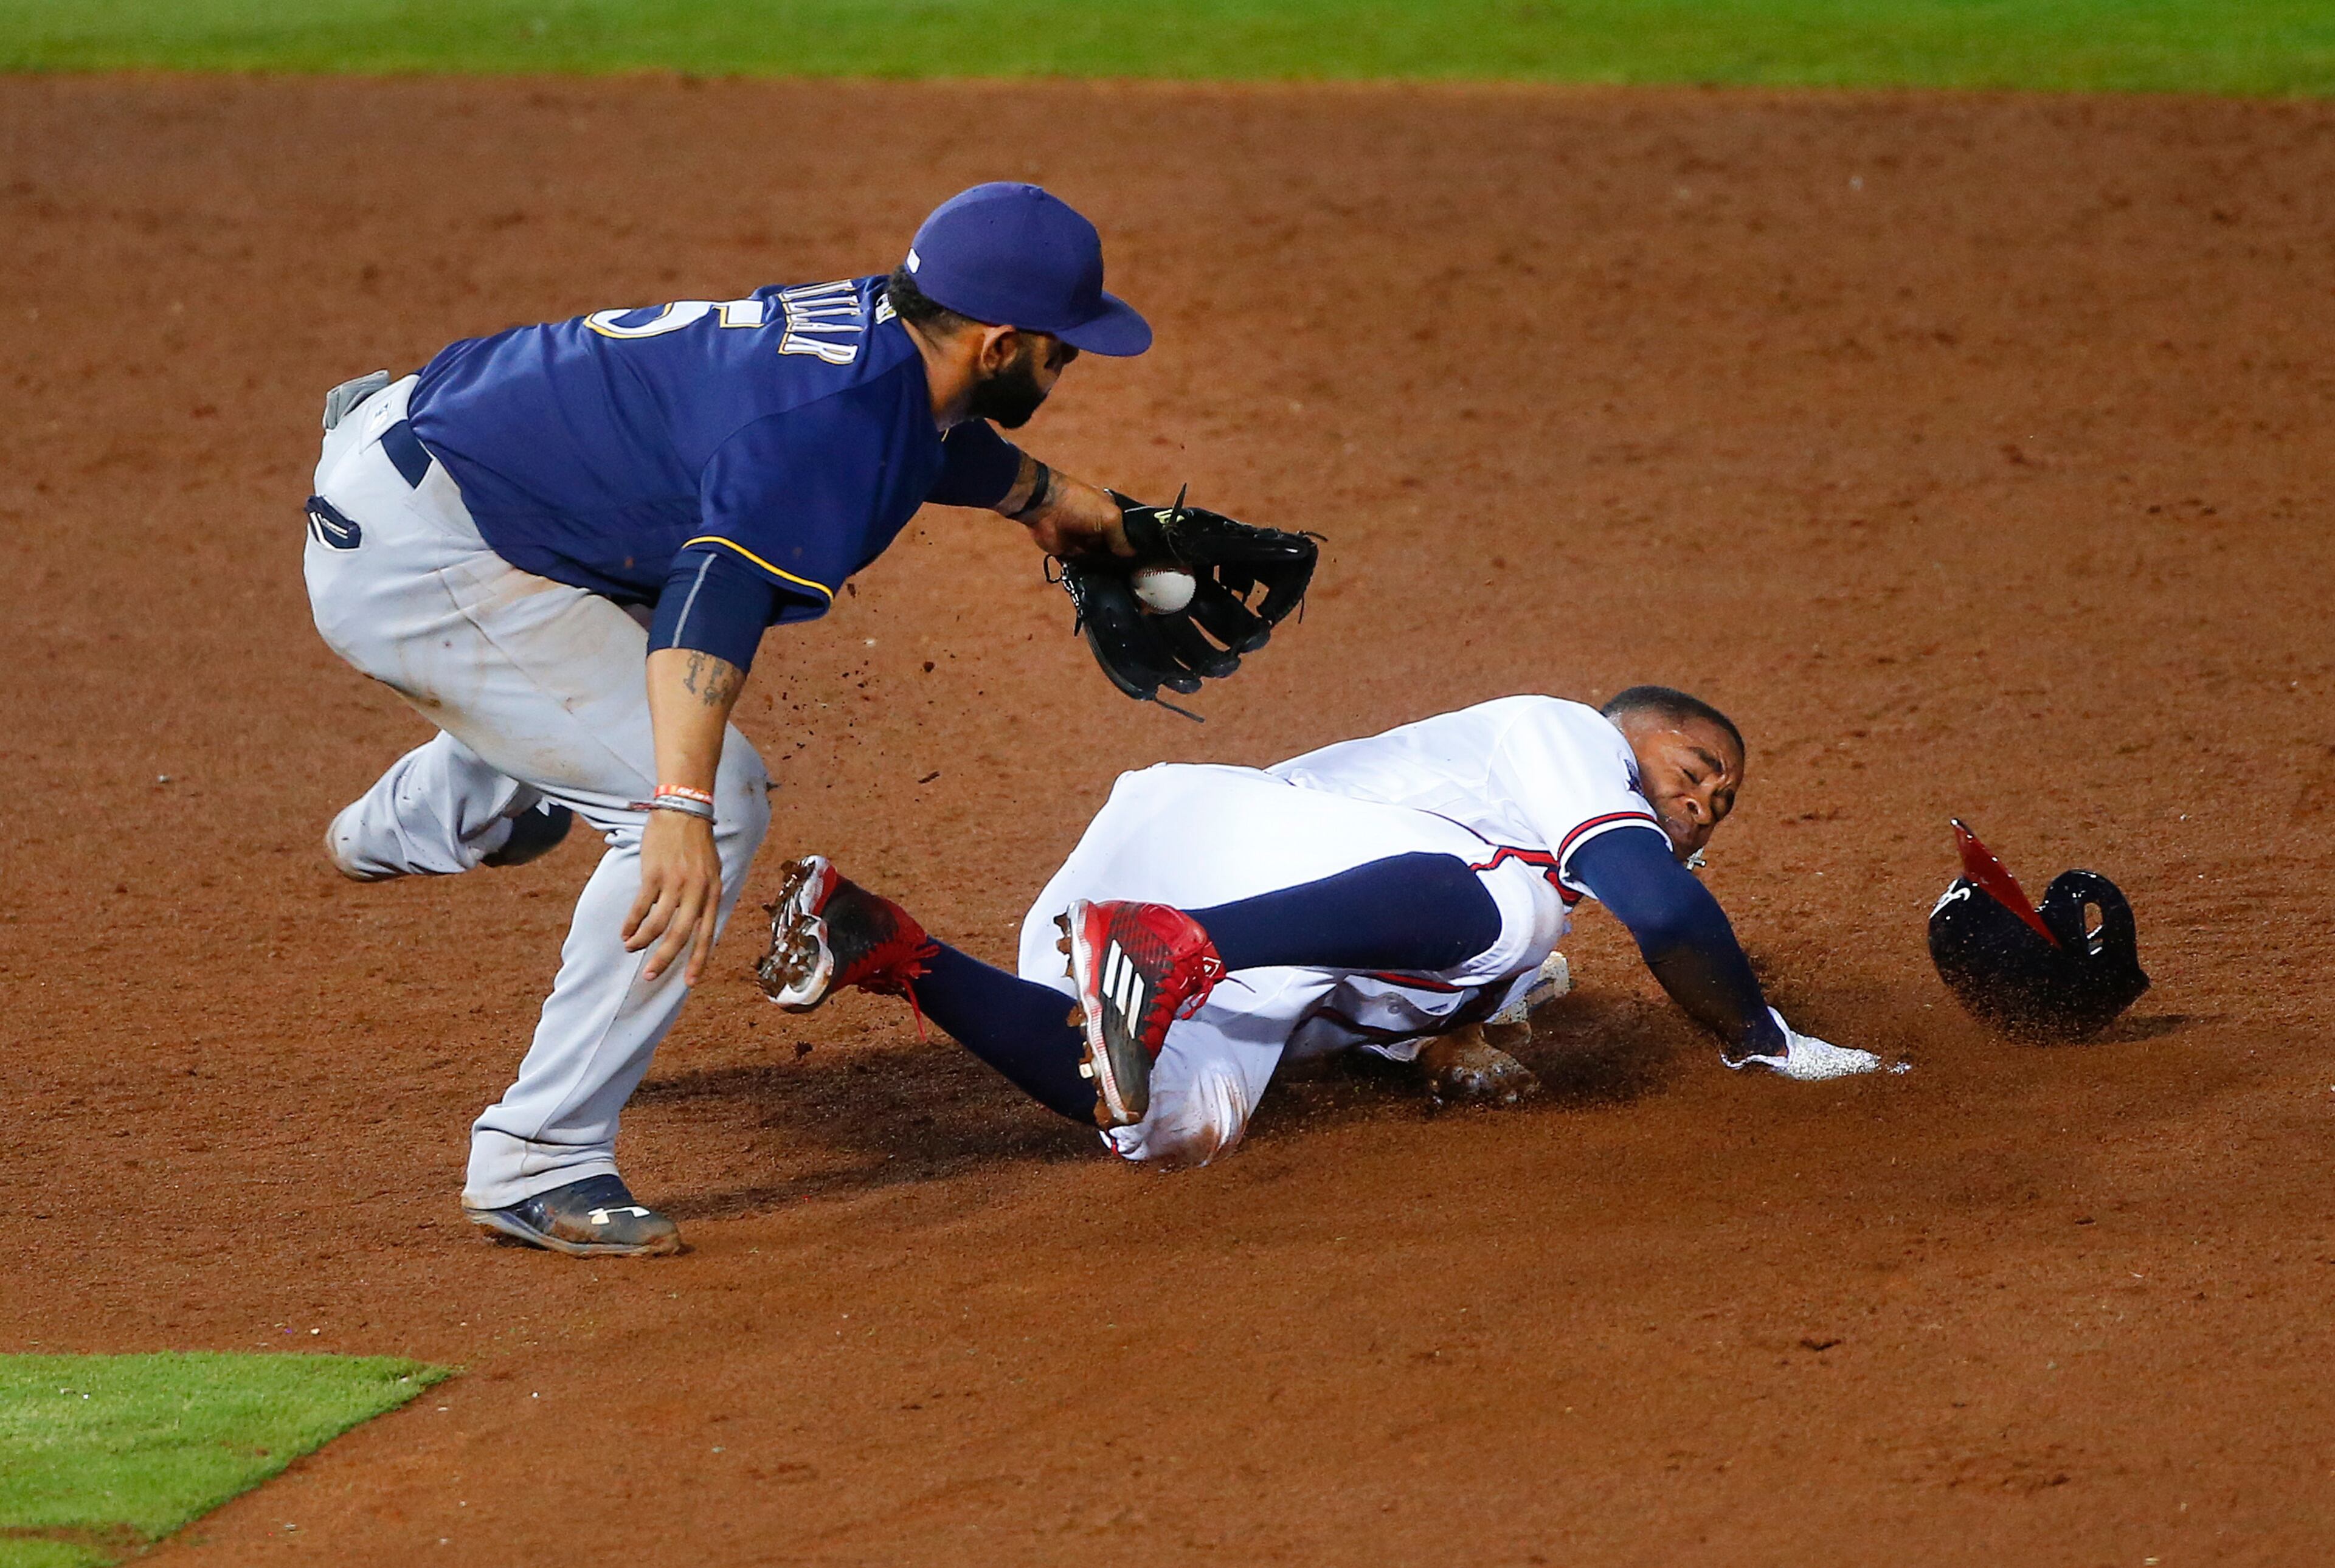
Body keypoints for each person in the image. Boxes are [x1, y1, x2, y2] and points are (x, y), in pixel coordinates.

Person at [303, 183, 1290, 1256]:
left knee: (604, 701)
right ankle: (538, 1158)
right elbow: (704, 610)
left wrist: (1059, 504)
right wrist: (674, 806)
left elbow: (916, 438)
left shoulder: (886, 336)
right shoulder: (826, 428)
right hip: (426, 559)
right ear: (1001, 344)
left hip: (456, 463)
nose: (1072, 366)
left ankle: (431, 817)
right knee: (712, 797)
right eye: (1064, 350)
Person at [762, 686, 1897, 1168]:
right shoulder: (1562, 735)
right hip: (1241, 851)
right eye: (1696, 769)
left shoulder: (1511, 874)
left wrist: (1453, 1046)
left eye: (1721, 807)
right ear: (1626, 733)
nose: (1702, 803)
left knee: (1170, 1126)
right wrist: (1761, 1036)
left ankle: (889, 946)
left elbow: (1408, 990)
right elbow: (1663, 910)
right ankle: (1175, 945)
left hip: (1138, 900)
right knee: (1518, 913)